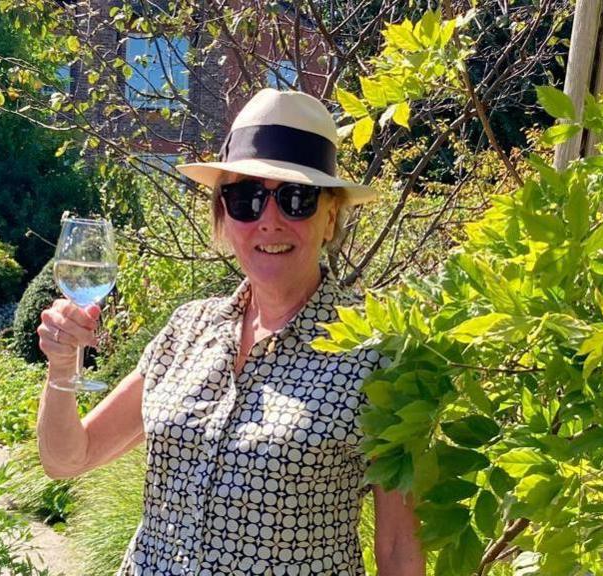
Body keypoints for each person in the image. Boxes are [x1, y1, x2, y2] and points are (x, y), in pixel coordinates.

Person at [36, 88, 426, 576]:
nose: (269, 221)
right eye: (246, 198)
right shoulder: (188, 329)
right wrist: (61, 366)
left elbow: (397, 546)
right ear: (224, 217)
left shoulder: (379, 354)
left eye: (295, 198)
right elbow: (69, 458)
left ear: (331, 217)